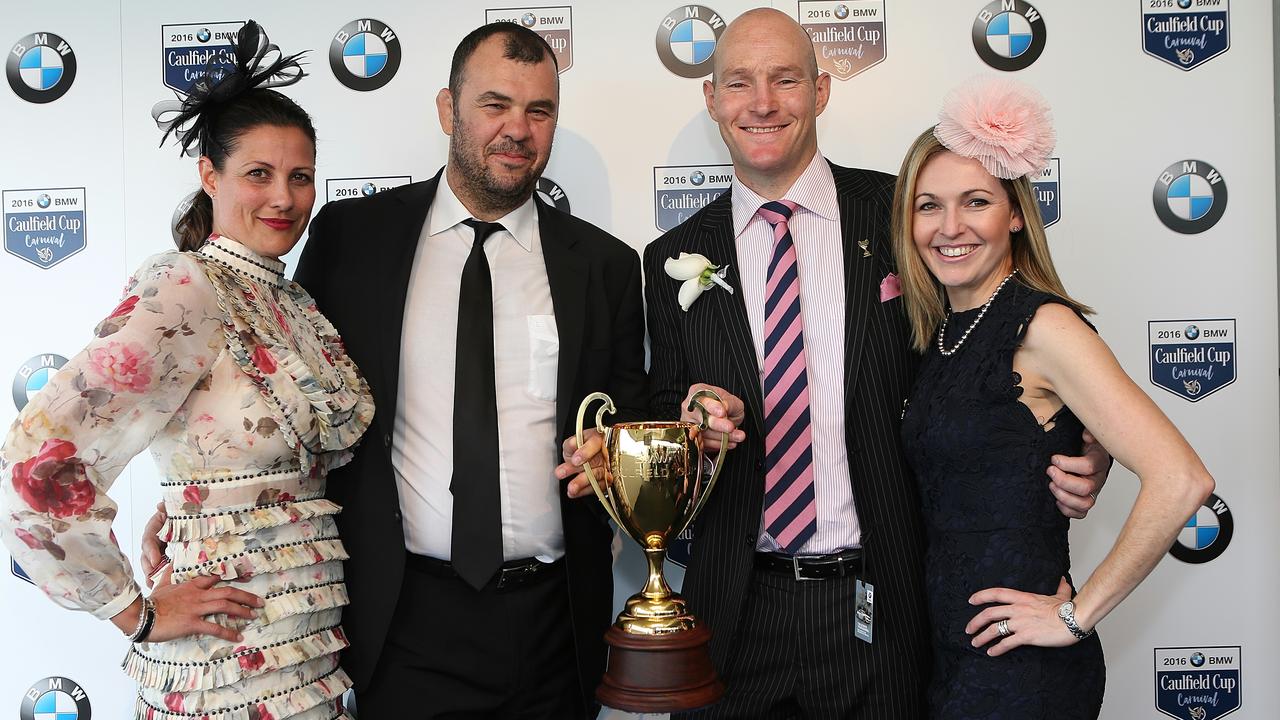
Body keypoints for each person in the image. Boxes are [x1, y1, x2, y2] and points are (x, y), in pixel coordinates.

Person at [567, 8, 1108, 718]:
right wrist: (681, 427)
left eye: (785, 79)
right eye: (739, 83)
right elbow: (672, 404)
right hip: (734, 608)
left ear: (821, 91)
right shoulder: (672, 258)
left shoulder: (903, 215)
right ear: (711, 100)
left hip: (880, 604)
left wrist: (1081, 431)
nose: (762, 103)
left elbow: (992, 334)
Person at [139, 22, 645, 717]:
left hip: (555, 625)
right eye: (495, 104)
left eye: (540, 110)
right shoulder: (351, 238)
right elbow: (287, 391)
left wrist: (611, 455)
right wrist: (197, 504)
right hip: (398, 621)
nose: (517, 130)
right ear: (448, 109)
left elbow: (626, 420)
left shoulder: (608, 267)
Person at [0, 22, 374, 719]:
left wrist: (183, 508)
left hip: (312, 645)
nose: (284, 199)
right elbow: (35, 466)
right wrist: (130, 612)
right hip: (221, 658)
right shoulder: (185, 288)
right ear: (210, 175)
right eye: (258, 174)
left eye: (299, 177)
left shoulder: (291, 301)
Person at [894, 77, 1214, 719]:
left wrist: (1074, 615)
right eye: (928, 205)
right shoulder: (943, 335)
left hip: (1023, 676)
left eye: (975, 202)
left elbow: (1181, 479)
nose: (949, 227)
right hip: (951, 656)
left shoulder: (1044, 327)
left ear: (1014, 214)